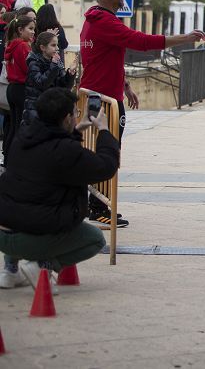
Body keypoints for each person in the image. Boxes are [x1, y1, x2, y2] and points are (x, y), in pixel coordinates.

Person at [80, 0, 202, 228]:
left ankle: (96, 203)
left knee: (100, 148)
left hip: (99, 93)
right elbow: (140, 41)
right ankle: (99, 207)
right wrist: (184, 38)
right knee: (107, 149)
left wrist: (124, 85)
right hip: (104, 100)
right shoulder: (105, 22)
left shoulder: (95, 20)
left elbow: (104, 58)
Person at [0, 88, 118, 290]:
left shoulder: (24, 137)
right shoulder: (66, 152)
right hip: (28, 237)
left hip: (3, 232)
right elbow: (105, 166)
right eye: (74, 113)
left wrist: (77, 129)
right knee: (94, 239)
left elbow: (50, 147)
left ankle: (10, 271)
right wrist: (105, 131)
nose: (76, 117)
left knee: (23, 200)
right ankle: (41, 267)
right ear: (66, 119)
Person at [23, 31, 74, 125]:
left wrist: (70, 75)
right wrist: (53, 66)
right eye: (53, 45)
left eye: (57, 45)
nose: (57, 48)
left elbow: (64, 87)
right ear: (43, 48)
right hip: (36, 108)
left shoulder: (56, 62)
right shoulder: (34, 62)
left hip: (51, 107)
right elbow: (41, 83)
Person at [3, 14, 36, 157]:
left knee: (13, 125)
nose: (33, 32)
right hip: (21, 88)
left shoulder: (12, 44)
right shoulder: (23, 46)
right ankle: (16, 158)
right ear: (20, 30)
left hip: (12, 88)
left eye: (34, 29)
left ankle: (8, 156)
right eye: (30, 29)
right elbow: (28, 68)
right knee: (20, 126)